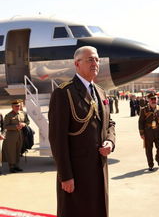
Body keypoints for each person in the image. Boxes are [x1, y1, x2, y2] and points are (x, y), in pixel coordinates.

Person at [48, 46, 116, 217]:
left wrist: (110, 141)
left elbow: (110, 123)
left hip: (99, 170)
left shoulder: (100, 92)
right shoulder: (64, 93)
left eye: (97, 59)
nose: (95, 63)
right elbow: (57, 139)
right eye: (90, 59)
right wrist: (65, 176)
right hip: (76, 173)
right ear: (77, 64)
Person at [138, 93, 159, 171]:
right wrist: (141, 133)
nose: (153, 101)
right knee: (148, 149)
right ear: (148, 100)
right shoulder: (144, 110)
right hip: (148, 132)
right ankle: (150, 164)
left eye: (155, 99)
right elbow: (140, 122)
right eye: (151, 99)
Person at [2, 100, 30, 173]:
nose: (18, 107)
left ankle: (16, 166)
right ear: (12, 107)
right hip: (11, 137)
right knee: (11, 152)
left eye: (18, 106)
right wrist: (15, 127)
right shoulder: (8, 115)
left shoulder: (23, 113)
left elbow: (27, 121)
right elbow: (5, 126)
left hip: (20, 136)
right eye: (16, 106)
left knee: (18, 151)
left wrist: (24, 124)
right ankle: (11, 167)